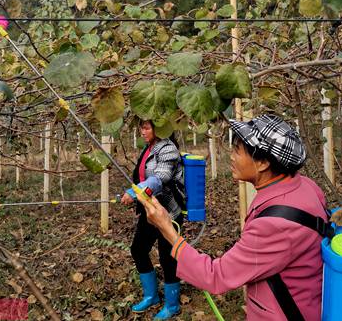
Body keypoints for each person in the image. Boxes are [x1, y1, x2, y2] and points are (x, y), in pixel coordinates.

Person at [136, 114, 329, 321]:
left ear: (263, 162)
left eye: (238, 150)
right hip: (304, 301)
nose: (231, 156)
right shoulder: (305, 185)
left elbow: (216, 277)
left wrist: (167, 228)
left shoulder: (275, 225)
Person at [121, 120, 186, 319]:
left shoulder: (168, 149)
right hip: (150, 211)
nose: (142, 131)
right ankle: (152, 296)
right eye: (141, 127)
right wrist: (134, 193)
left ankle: (172, 304)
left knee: (168, 258)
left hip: (168, 214)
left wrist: (135, 192)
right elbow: (142, 177)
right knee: (138, 249)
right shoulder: (150, 148)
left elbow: (160, 178)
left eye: (147, 127)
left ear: (160, 128)